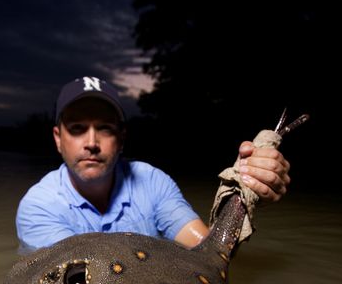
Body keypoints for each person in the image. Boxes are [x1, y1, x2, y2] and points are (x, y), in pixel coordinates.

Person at [15, 76, 290, 253]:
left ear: (121, 138)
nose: (91, 142)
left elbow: (208, 253)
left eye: (105, 128)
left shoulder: (152, 182)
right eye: (76, 128)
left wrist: (244, 189)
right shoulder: (38, 206)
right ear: (58, 139)